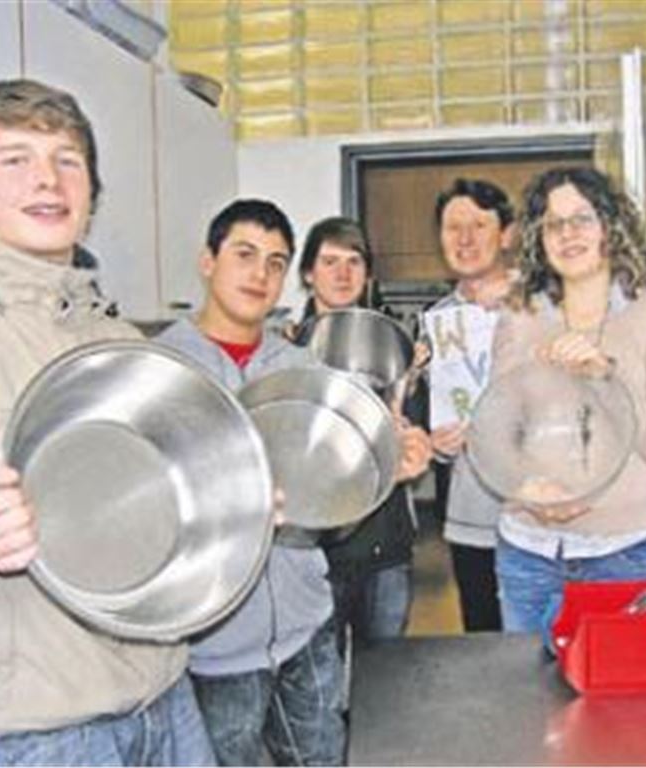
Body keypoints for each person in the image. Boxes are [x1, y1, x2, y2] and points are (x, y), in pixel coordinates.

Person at [0, 79, 214, 765]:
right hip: (39, 736)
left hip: (168, 699)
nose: (48, 179)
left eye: (68, 159)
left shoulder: (127, 346)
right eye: (16, 158)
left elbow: (157, 512)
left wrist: (233, 498)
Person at [155, 201, 430, 766]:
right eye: (245, 255)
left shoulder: (303, 367)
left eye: (275, 262)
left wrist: (382, 473)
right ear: (208, 261)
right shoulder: (165, 370)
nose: (261, 274)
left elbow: (329, 504)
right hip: (217, 645)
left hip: (306, 627)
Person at [491, 166, 646, 645]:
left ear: (610, 226)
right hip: (526, 550)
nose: (568, 234)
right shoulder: (519, 316)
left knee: (616, 713)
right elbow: (492, 434)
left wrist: (607, 376)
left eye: (582, 218)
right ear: (540, 238)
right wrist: (525, 487)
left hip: (620, 554)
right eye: (553, 223)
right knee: (527, 707)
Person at [290, 216, 431, 650]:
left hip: (384, 547)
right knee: (320, 688)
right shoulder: (285, 351)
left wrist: (413, 390)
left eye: (354, 261)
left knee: (386, 684)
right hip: (313, 553)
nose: (343, 273)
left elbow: (417, 435)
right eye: (329, 261)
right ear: (309, 274)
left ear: (368, 274)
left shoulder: (399, 353)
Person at [424, 178, 519, 633]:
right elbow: (440, 420)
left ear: (507, 235)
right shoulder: (439, 324)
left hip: (540, 515)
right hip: (471, 517)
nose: (464, 239)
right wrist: (439, 444)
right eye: (452, 227)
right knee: (482, 645)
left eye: (479, 225)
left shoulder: (541, 306)